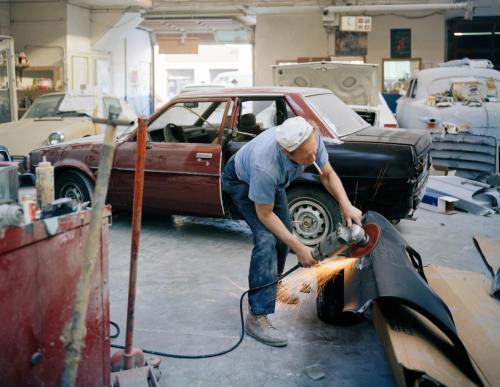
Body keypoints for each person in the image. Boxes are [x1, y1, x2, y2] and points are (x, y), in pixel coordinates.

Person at [221, 116, 362, 347]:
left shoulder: (310, 139)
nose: (312, 158)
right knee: (266, 239)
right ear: (287, 153)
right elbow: (265, 214)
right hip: (240, 181)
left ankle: (274, 286)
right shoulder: (265, 165)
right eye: (306, 157)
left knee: (285, 233)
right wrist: (300, 248)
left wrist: (345, 203)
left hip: (271, 184)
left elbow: (327, 174)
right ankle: (257, 316)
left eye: (313, 150)